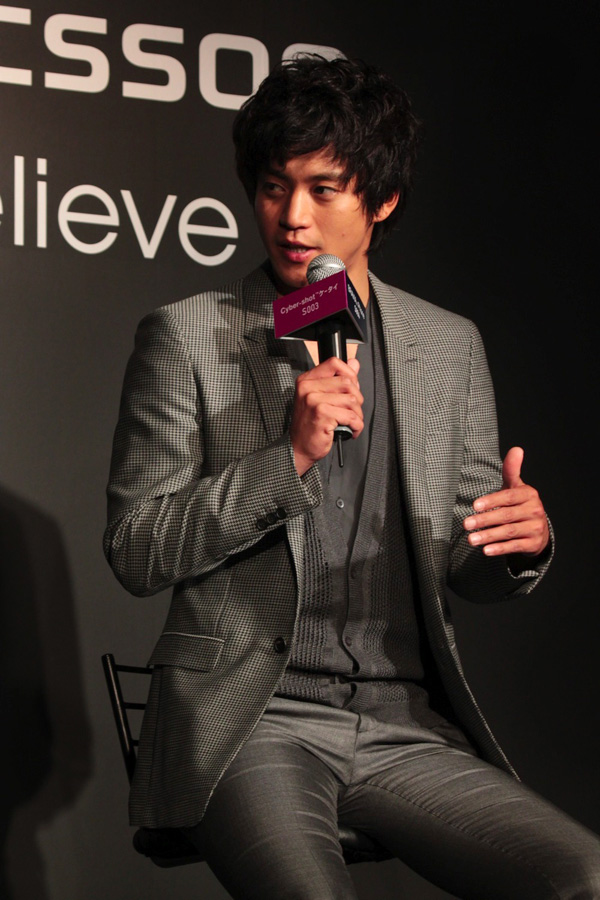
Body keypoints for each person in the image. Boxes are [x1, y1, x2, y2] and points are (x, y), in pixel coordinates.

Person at [104, 56, 600, 899]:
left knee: (581, 876)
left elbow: (467, 564)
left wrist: (519, 542)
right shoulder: (186, 337)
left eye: (323, 190)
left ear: (383, 199)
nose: (292, 217)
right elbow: (136, 549)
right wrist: (288, 459)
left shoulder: (447, 345)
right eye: (274, 188)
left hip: (404, 724)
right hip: (252, 720)